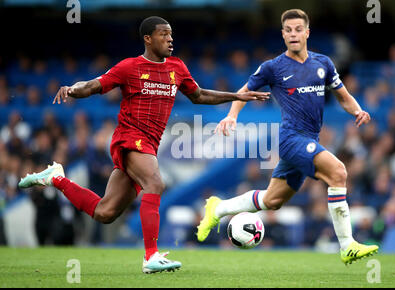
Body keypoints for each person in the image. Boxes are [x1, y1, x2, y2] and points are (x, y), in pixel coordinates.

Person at [18, 16, 270, 273]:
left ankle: (56, 178)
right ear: (148, 39)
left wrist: (236, 96)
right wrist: (74, 88)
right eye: (164, 35)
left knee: (105, 212)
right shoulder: (130, 67)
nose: (170, 39)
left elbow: (200, 95)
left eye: (171, 35)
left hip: (149, 144)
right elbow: (94, 85)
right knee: (156, 183)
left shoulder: (177, 67)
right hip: (129, 137)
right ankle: (151, 256)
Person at [196, 9, 378, 265]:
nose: (293, 34)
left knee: (272, 200)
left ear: (307, 32)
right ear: (283, 35)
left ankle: (219, 208)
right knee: (338, 172)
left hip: (308, 138)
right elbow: (245, 91)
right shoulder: (273, 67)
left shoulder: (323, 63)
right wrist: (232, 115)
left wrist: (358, 110)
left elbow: (344, 97)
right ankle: (347, 245)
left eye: (298, 29)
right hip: (292, 138)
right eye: (288, 30)